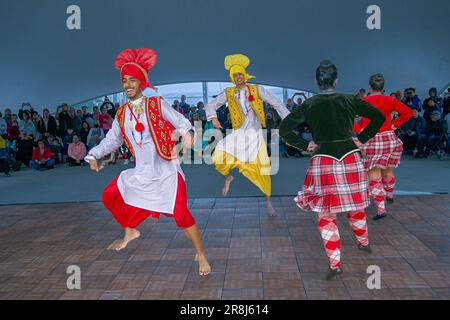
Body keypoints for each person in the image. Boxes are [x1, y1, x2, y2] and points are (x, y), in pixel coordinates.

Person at [85, 48, 211, 276]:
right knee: (110, 194)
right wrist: (93, 155)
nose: (128, 84)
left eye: (133, 80)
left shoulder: (156, 104)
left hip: (167, 171)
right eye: (125, 80)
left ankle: (200, 254)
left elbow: (181, 121)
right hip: (142, 172)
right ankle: (130, 230)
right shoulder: (122, 113)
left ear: (141, 82)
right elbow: (112, 140)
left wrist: (188, 133)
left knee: (182, 215)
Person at [279, 60, 385, 280]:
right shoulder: (349, 99)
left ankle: (335, 264)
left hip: (323, 160)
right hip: (350, 158)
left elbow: (284, 128)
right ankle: (363, 243)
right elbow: (379, 117)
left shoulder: (310, 104)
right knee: (355, 205)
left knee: (326, 215)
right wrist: (361, 138)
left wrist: (302, 145)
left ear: (316, 82)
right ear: (337, 80)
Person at [205, 54, 290, 217]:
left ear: (245, 74)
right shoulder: (229, 92)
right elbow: (211, 105)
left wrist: (289, 119)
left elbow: (276, 102)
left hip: (256, 137)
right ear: (232, 77)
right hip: (238, 134)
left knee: (263, 172)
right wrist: (213, 117)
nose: (238, 77)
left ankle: (268, 203)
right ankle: (229, 177)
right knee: (217, 156)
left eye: (240, 74)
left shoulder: (257, 89)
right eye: (234, 75)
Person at [354, 74, 413, 220]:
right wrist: (394, 124)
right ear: (383, 88)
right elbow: (408, 113)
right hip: (389, 138)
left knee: (374, 175)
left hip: (372, 140)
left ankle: (381, 210)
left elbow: (349, 119)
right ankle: (390, 194)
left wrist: (358, 130)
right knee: (388, 169)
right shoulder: (391, 100)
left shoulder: (363, 101)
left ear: (369, 87)